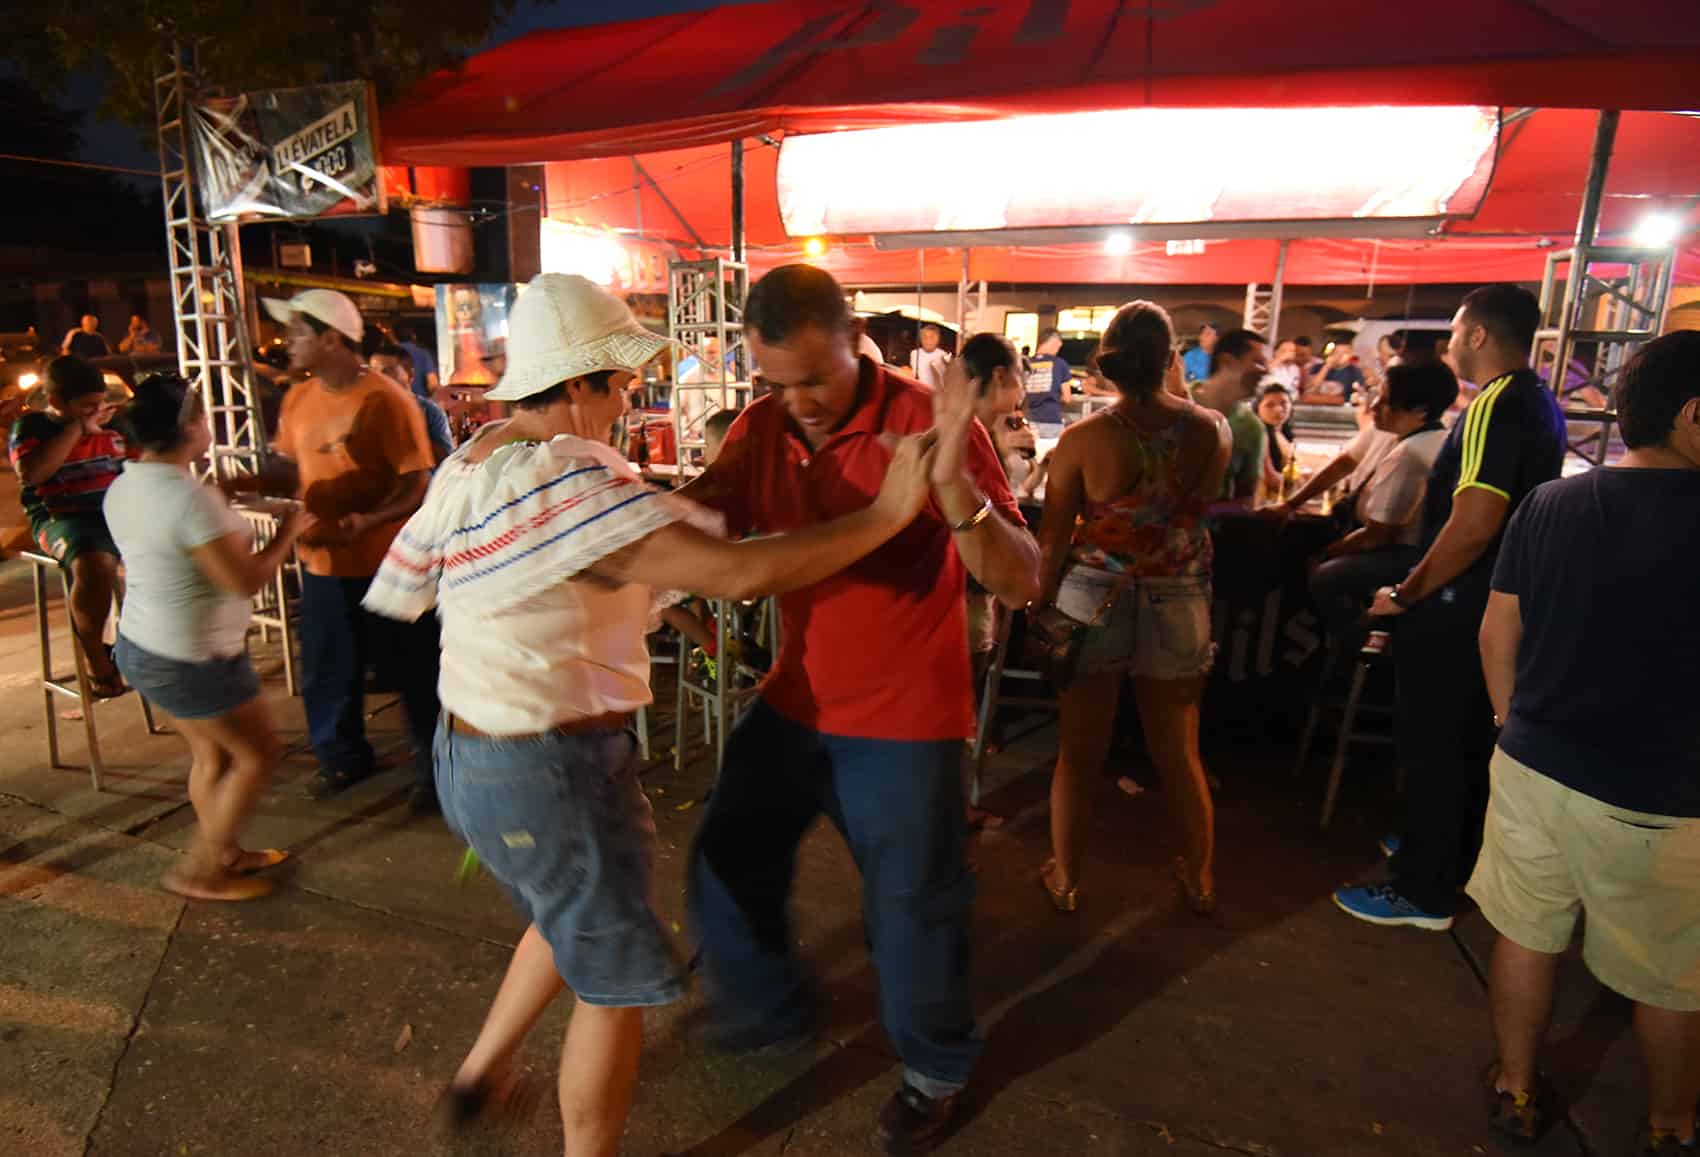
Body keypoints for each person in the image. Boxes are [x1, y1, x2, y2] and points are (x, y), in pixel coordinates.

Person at [361, 272, 942, 1157]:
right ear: (581, 382)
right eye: (621, 380)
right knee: (617, 985)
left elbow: (632, 551)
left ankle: (483, 1071)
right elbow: (742, 572)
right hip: (549, 767)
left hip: (472, 757)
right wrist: (891, 510)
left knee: (567, 912)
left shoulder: (480, 457)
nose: (631, 395)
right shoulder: (570, 478)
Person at [682, 264, 1040, 1154]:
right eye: (776, 381)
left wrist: (955, 494)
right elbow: (706, 516)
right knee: (728, 853)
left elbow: (1022, 579)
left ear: (856, 342)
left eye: (814, 378)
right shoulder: (764, 427)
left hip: (904, 718)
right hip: (796, 698)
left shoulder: (925, 420)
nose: (796, 400)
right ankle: (773, 1005)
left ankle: (936, 1069)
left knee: (911, 908)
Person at [1468, 332, 1700, 1153]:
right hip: (1666, 796)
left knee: (1527, 935)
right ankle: (1672, 1123)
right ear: (1694, 416)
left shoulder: (1554, 503)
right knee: (1672, 978)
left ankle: (1515, 1084)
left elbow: (1500, 630)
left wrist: (1509, 724)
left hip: (1535, 764)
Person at [1333, 284, 1565, 930]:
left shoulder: (1495, 402)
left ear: (1481, 335)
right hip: (1492, 602)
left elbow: (1475, 519)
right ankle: (1441, 855)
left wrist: (1407, 591)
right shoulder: (1538, 401)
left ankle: (1422, 890)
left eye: (1457, 332)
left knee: (1433, 741)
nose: (1451, 344)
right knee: (1459, 741)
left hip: (1460, 602)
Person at [1034, 301, 1229, 917]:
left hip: (1093, 596)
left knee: (1079, 751)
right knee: (1178, 751)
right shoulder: (1211, 429)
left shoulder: (1082, 440)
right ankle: (1199, 878)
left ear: (1107, 364)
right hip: (1180, 595)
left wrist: (1038, 606)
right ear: (1172, 358)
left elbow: (1054, 541)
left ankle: (1065, 878)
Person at [221, 289, 442, 812]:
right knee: (327, 669)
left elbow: (417, 483)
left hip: (387, 565)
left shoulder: (386, 400)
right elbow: (295, 471)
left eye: (297, 332)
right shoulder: (299, 398)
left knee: (414, 676)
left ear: (331, 338)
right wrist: (241, 482)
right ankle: (342, 759)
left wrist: (367, 520)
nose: (287, 343)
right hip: (321, 561)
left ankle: (436, 777)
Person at [104, 373, 311, 901]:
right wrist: (290, 528)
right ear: (189, 426)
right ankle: (199, 871)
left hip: (151, 644)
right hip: (188, 657)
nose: (208, 424)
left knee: (213, 757)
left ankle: (224, 851)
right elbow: (244, 580)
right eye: (202, 416)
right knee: (257, 755)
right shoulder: (186, 499)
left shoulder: (128, 483)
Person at [1305, 361, 1458, 657]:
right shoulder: (1433, 439)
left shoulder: (1408, 455)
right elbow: (1344, 463)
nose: (1374, 406)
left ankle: (1356, 649)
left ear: (1419, 411)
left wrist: (1326, 553)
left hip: (1405, 555)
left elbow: (1377, 536)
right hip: (1420, 552)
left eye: (1386, 401)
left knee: (1325, 576)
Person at [9, 355, 128, 695]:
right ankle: (96, 659)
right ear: (58, 402)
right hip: (62, 518)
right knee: (94, 561)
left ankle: (147, 651)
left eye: (101, 403)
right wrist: (77, 430)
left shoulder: (113, 426)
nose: (97, 411)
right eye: (87, 406)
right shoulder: (32, 428)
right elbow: (32, 474)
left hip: (115, 513)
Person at [1190, 328, 1268, 506]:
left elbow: (1246, 497)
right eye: (1258, 362)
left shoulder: (1251, 426)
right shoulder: (1179, 402)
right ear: (1227, 361)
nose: (1265, 371)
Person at [370, 342, 454, 464]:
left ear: (410, 374)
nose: (378, 377)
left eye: (387, 371)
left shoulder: (430, 412)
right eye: (373, 371)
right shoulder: (368, 410)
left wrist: (414, 428)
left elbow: (445, 460)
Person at [1022, 327, 1073, 437]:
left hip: (1028, 421)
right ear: (1053, 342)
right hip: (1051, 420)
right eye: (1058, 347)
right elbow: (1067, 398)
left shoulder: (1025, 363)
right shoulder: (1060, 364)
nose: (1057, 351)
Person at [1256, 383, 1295, 495]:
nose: (1278, 409)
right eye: (1270, 405)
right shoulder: (1260, 434)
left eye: (1283, 403)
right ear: (1257, 408)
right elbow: (1271, 479)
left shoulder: (1282, 432)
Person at [1303, 339, 1367, 404]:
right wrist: (1327, 367)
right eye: (1337, 352)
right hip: (1316, 408)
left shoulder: (1355, 371)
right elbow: (1310, 390)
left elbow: (1360, 394)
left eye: (1345, 353)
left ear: (1351, 354)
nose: (1340, 356)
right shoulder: (1318, 367)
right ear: (1331, 353)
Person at [395, 323, 441, 399]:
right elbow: (432, 383)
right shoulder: (423, 353)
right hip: (419, 402)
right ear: (413, 336)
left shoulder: (390, 352)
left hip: (396, 400)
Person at [908, 323, 951, 388]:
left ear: (937, 339)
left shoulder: (943, 355)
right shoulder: (914, 354)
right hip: (919, 391)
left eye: (931, 337)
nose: (928, 340)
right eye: (925, 337)